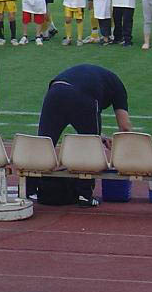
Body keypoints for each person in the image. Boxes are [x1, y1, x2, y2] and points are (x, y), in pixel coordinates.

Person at [35, 64, 133, 207]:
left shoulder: (96, 77)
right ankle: (84, 195)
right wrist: (128, 153)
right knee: (90, 147)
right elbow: (124, 126)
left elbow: (77, 118)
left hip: (55, 90)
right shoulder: (119, 88)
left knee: (44, 144)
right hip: (82, 96)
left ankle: (30, 189)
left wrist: (100, 135)